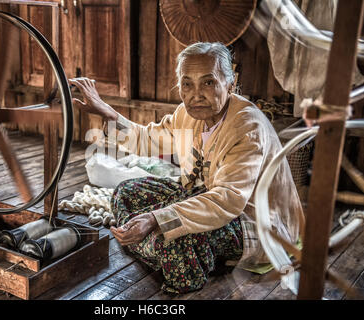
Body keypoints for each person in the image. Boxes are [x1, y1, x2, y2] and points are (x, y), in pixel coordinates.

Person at [69, 42, 304, 294]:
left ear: (230, 84)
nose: (196, 94)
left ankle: (174, 259)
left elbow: (227, 200)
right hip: (201, 198)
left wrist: (156, 218)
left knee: (172, 233)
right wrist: (108, 113)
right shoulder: (187, 113)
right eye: (186, 83)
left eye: (208, 82)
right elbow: (148, 139)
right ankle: (167, 250)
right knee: (126, 191)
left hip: (253, 220)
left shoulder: (247, 126)